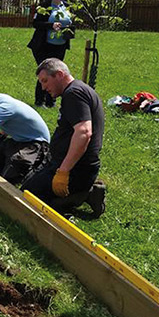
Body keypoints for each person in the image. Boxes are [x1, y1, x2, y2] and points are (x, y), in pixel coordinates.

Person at [22, 59, 106, 217]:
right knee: (28, 186)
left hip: (76, 170)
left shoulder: (74, 93)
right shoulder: (77, 90)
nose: (43, 87)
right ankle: (81, 192)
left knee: (29, 197)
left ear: (59, 75)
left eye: (45, 81)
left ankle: (83, 195)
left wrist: (64, 172)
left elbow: (84, 132)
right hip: (64, 164)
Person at [27, 0, 75, 107]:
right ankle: (39, 101)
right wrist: (51, 25)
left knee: (55, 74)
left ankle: (51, 101)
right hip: (43, 45)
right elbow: (36, 23)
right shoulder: (45, 6)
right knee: (45, 71)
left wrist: (70, 30)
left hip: (60, 45)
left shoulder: (66, 7)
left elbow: (71, 23)